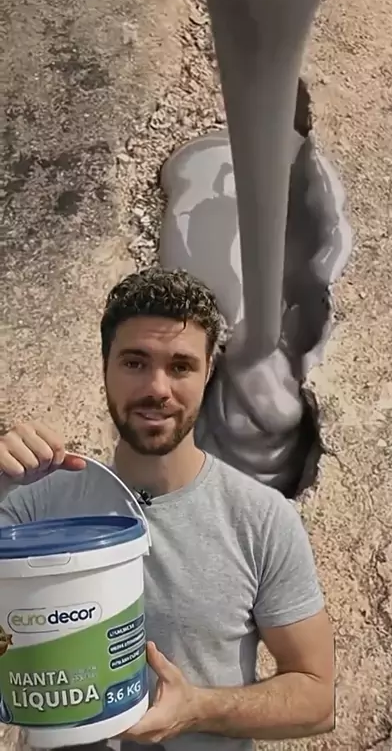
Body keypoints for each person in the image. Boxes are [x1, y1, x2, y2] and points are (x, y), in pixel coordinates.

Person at [0, 267, 334, 750]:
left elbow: (317, 699)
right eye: (135, 362)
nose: (158, 387)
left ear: (208, 373)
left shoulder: (263, 520)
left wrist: (198, 709)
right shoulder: (30, 506)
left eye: (180, 366)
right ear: (105, 367)